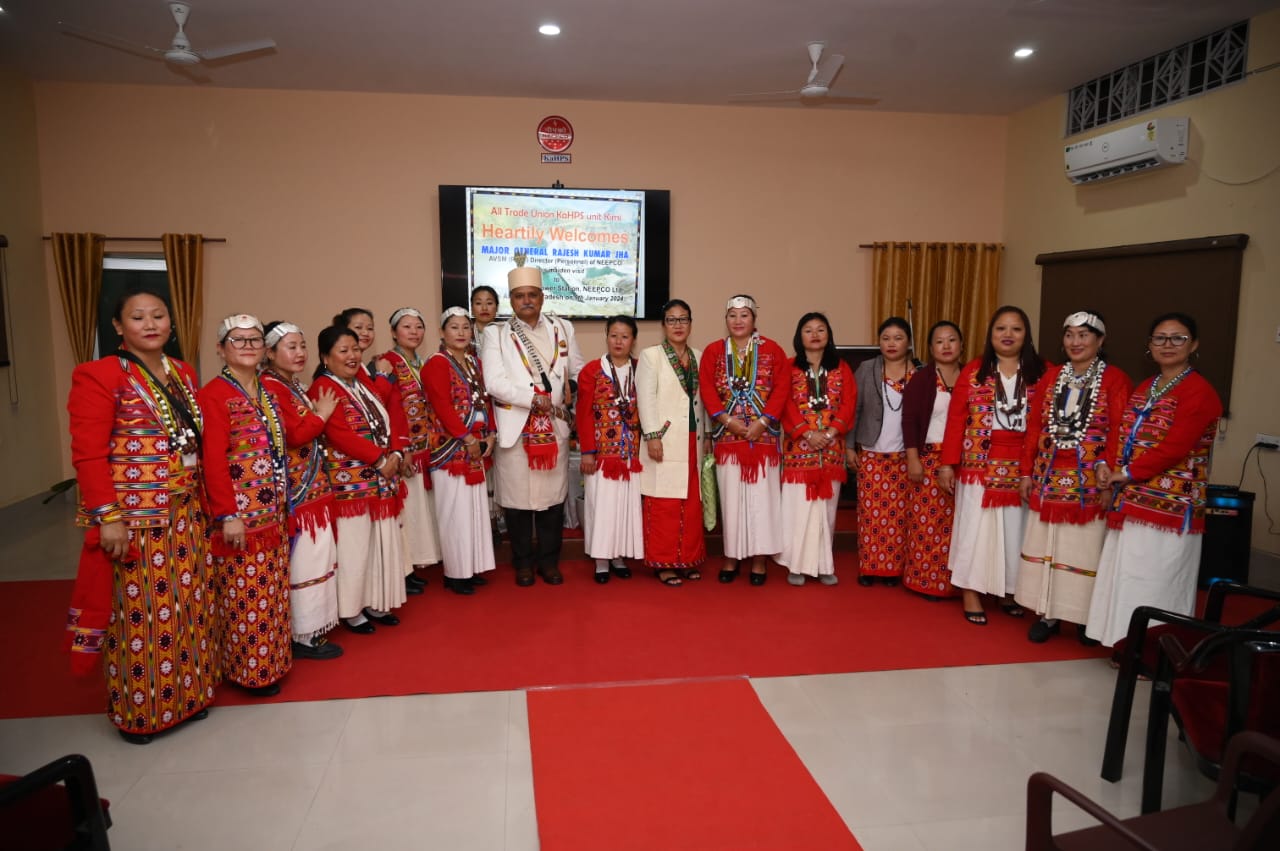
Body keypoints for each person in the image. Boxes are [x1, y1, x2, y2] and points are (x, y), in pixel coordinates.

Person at [66, 289, 216, 744]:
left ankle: (190, 697)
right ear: (118, 327)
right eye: (137, 317)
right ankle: (143, 712)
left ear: (172, 322)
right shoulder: (99, 374)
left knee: (189, 605)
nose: (150, 324)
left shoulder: (182, 372)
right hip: (136, 519)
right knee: (141, 615)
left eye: (158, 315)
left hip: (186, 510)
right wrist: (107, 516)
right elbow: (88, 454)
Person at [1085, 312, 1224, 647]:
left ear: (1194, 344)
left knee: (1158, 580)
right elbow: (1123, 433)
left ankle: (1156, 652)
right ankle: (1122, 644)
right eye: (1159, 338)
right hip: (1133, 499)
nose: (1168, 345)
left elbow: (1176, 447)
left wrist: (1127, 473)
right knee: (1129, 575)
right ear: (1149, 345)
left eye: (1177, 338)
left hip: (1172, 507)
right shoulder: (1147, 386)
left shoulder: (1200, 391)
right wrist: (1108, 463)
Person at [1017, 311, 1132, 644]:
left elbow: (1119, 432)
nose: (1076, 342)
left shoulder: (1114, 379)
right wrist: (1025, 471)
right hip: (1049, 474)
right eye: (1070, 335)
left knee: (1084, 549)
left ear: (1100, 340)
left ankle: (1084, 619)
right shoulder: (1053, 376)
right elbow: (1035, 427)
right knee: (1047, 544)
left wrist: (1110, 475)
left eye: (1084, 335)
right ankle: (1047, 613)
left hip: (1090, 479)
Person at [199, 315, 294, 696]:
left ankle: (273, 662)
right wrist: (227, 514)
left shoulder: (265, 392)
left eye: (255, 339)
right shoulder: (214, 394)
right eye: (238, 340)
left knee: (272, 590)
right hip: (240, 517)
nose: (249, 346)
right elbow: (214, 460)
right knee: (244, 593)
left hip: (271, 511)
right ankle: (249, 671)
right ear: (221, 348)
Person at [938, 306, 1048, 625]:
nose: (1008, 335)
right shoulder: (974, 371)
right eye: (1001, 328)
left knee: (1015, 532)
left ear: (1026, 335)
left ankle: (1010, 591)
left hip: (1022, 466)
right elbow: (956, 420)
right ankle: (971, 591)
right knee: (975, 529)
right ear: (991, 335)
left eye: (1016, 329)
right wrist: (948, 464)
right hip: (978, 464)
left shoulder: (1043, 373)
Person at [480, 255, 584, 586]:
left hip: (554, 427)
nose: (527, 301)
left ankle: (549, 563)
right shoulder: (496, 334)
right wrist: (533, 400)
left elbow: (577, 368)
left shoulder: (563, 327)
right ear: (511, 300)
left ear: (542, 296)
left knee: (553, 500)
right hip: (516, 427)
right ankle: (523, 564)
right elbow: (494, 382)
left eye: (533, 294)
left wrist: (574, 386)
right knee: (517, 502)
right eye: (519, 295)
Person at [311, 325, 410, 633]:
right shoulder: (323, 387)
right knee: (355, 548)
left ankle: (375, 602)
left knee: (379, 544)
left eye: (355, 349)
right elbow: (339, 434)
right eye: (344, 350)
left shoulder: (359, 383)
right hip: (351, 486)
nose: (353, 355)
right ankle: (353, 610)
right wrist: (380, 458)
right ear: (326, 357)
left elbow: (387, 416)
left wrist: (395, 451)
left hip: (381, 479)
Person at [261, 321, 344, 660]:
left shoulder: (290, 385)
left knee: (317, 557)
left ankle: (314, 627)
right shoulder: (271, 386)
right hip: (299, 492)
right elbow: (295, 435)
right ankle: (303, 632)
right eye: (290, 347)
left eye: (302, 346)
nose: (299, 353)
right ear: (269, 353)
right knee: (306, 560)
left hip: (312, 487)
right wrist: (322, 415)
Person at [699, 294, 788, 585]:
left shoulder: (772, 350)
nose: (738, 321)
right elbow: (708, 389)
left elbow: (782, 389)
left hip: (763, 439)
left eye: (744, 315)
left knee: (763, 501)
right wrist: (727, 421)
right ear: (726, 320)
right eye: (732, 316)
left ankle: (760, 560)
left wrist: (763, 422)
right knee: (732, 501)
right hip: (729, 439)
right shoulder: (714, 351)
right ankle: (731, 556)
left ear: (754, 319)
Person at [334, 306, 422, 596]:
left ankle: (396, 579)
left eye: (369, 327)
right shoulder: (356, 369)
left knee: (394, 525)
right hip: (363, 464)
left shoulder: (366, 365)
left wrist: (399, 448)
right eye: (358, 327)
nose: (365, 333)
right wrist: (382, 378)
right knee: (362, 539)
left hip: (387, 454)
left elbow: (390, 412)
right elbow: (373, 405)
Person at [777, 312, 856, 586]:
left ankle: (824, 564)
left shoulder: (842, 367)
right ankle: (796, 563)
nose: (814, 334)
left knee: (826, 510)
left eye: (820, 329)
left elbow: (849, 403)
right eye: (808, 330)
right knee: (798, 509)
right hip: (799, 450)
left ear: (828, 335)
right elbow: (784, 403)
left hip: (831, 449)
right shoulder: (789, 367)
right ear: (799, 336)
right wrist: (807, 433)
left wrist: (831, 432)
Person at [423, 307, 498, 594]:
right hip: (450, 449)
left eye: (466, 327)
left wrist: (490, 434)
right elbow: (442, 407)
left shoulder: (473, 362)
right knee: (454, 512)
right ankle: (455, 573)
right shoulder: (436, 363)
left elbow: (485, 401)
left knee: (475, 510)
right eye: (454, 327)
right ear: (442, 332)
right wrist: (466, 439)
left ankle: (472, 566)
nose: (461, 333)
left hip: (477, 447)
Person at [637, 299, 708, 585]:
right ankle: (664, 562)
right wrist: (652, 435)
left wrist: (710, 436)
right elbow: (645, 398)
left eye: (683, 319)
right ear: (663, 325)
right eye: (671, 320)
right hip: (664, 440)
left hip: (694, 438)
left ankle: (688, 559)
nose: (678, 325)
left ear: (691, 323)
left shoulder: (700, 356)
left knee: (691, 504)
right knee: (664, 503)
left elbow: (704, 401)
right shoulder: (651, 355)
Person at [576, 316, 645, 584]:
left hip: (631, 454)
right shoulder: (592, 370)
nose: (618, 341)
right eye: (614, 335)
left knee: (625, 506)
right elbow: (583, 414)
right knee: (602, 506)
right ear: (606, 337)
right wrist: (588, 451)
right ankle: (601, 560)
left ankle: (619, 556)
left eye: (625, 336)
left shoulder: (641, 369)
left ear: (633, 340)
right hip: (602, 455)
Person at [381, 307, 444, 588]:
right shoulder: (388, 363)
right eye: (407, 327)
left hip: (427, 446)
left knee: (421, 509)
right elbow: (389, 409)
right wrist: (401, 447)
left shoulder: (424, 362)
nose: (414, 332)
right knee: (407, 511)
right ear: (394, 332)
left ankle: (419, 562)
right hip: (406, 448)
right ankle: (404, 570)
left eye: (419, 327)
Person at [901, 320, 964, 600]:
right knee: (927, 523)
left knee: (959, 524)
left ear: (961, 345)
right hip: (928, 457)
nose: (946, 346)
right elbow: (909, 421)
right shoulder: (923, 379)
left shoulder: (972, 376)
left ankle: (957, 583)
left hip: (965, 459)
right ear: (930, 348)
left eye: (952, 340)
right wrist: (913, 459)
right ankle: (924, 580)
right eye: (940, 341)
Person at [852, 317, 916, 587]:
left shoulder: (920, 372)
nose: (891, 343)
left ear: (909, 342)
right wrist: (848, 447)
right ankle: (870, 567)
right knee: (870, 514)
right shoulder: (868, 368)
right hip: (871, 452)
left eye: (898, 337)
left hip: (904, 455)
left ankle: (892, 570)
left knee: (899, 514)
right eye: (886, 337)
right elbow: (853, 409)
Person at [470, 285, 501, 349]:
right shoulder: (465, 334)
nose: (484, 308)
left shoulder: (505, 334)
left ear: (497, 307)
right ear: (472, 309)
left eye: (489, 303)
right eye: (478, 303)